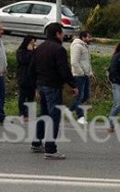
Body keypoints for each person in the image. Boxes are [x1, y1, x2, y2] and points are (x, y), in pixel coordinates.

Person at [29, 23, 78, 159]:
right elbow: (64, 70)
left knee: (43, 115)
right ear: (57, 34)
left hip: (41, 86)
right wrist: (73, 85)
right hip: (53, 87)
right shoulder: (58, 49)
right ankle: (50, 149)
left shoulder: (39, 48)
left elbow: (31, 69)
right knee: (54, 117)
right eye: (62, 33)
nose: (63, 35)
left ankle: (37, 142)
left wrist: (35, 86)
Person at [69, 31, 93, 124]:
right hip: (79, 75)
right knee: (79, 96)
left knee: (85, 95)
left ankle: (69, 110)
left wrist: (90, 72)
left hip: (85, 75)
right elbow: (74, 61)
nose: (90, 39)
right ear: (83, 37)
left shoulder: (85, 46)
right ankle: (80, 116)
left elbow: (87, 61)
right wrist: (81, 72)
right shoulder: (77, 46)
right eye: (89, 37)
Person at [16, 35, 36, 121]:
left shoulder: (34, 52)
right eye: (31, 42)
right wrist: (30, 52)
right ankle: (23, 113)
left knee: (31, 96)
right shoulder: (21, 51)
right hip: (23, 77)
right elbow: (24, 60)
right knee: (23, 96)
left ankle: (30, 113)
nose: (33, 44)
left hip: (32, 77)